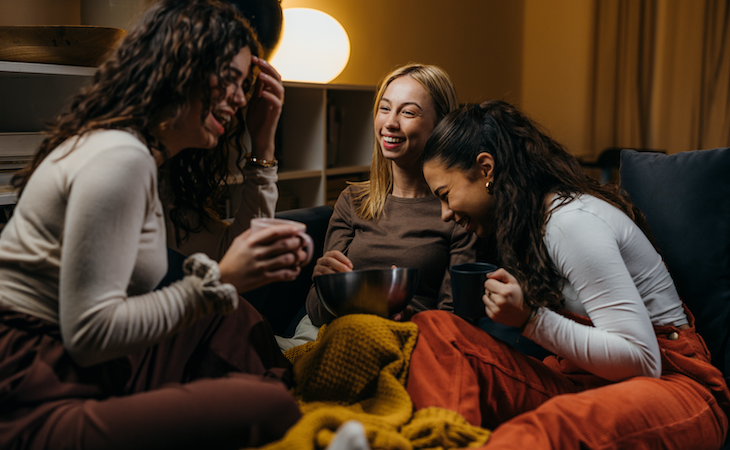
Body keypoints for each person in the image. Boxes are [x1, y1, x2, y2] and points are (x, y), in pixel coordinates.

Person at [0, 1, 308, 449]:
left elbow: (227, 256)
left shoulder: (136, 152)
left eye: (246, 86)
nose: (241, 99)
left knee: (229, 324)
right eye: (231, 80)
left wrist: (263, 144)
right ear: (181, 67)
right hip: (33, 387)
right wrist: (221, 280)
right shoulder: (121, 159)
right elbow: (89, 335)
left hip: (73, 360)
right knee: (271, 406)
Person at [408, 100, 730, 448]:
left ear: (486, 168)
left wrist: (532, 320)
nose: (444, 214)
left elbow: (643, 359)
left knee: (546, 429)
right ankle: (442, 438)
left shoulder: (570, 222)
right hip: (582, 381)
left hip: (675, 386)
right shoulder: (527, 225)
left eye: (445, 194)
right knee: (435, 331)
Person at [295, 63, 478, 340]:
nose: (390, 123)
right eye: (384, 108)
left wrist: (400, 314)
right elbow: (316, 311)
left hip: (409, 340)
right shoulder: (353, 200)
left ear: (441, 125)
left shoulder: (457, 211)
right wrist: (324, 285)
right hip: (329, 333)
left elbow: (456, 322)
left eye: (407, 112)